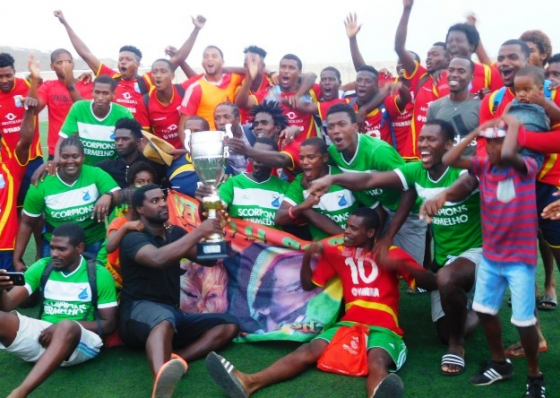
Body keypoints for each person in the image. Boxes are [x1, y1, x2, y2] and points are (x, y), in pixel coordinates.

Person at [309, 120, 482, 375]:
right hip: (445, 257)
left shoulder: (465, 171)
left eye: (431, 140)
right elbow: (369, 179)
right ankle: (481, 307)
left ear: (448, 145)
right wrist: (333, 177)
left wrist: (443, 196)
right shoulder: (415, 171)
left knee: (446, 280)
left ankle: (457, 347)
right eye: (421, 139)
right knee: (445, 329)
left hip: (478, 251)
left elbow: (466, 185)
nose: (423, 144)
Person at [206, 207, 437, 398]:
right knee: (307, 350)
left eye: (353, 229)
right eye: (346, 226)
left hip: (385, 327)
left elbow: (432, 283)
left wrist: (401, 265)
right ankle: (248, 382)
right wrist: (308, 255)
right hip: (348, 324)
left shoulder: (393, 253)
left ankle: (379, 393)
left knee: (377, 361)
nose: (346, 232)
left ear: (370, 233)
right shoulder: (337, 253)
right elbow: (309, 285)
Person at [442, 116, 544, 398]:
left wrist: (512, 124)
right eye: (489, 143)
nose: (492, 148)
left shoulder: (527, 166)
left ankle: (535, 375)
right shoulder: (483, 166)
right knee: (485, 310)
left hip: (520, 259)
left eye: (497, 142)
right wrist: (476, 131)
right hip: (491, 255)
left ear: (511, 142)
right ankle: (500, 363)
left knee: (523, 320)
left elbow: (511, 153)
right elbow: (450, 158)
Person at [118, 184, 239, 397]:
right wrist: (200, 231)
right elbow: (158, 259)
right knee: (163, 320)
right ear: (140, 209)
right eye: (154, 201)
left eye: (163, 198)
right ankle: (161, 383)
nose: (163, 203)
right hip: (136, 313)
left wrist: (216, 235)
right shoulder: (132, 238)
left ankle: (177, 359)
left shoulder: (174, 233)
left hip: (171, 313)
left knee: (228, 325)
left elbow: (209, 260)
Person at [0, 223, 117, 398]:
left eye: (61, 249)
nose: (54, 253)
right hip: (43, 335)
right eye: (53, 248)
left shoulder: (98, 274)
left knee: (66, 326)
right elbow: (8, 305)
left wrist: (61, 326)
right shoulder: (43, 266)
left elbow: (108, 325)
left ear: (79, 248)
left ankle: (19, 393)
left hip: (80, 341)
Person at [319, 103, 425, 265]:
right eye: (331, 127)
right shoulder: (334, 152)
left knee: (411, 276)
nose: (336, 131)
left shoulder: (378, 151)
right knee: (376, 261)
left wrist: (387, 236)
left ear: (355, 127)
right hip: (381, 208)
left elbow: (410, 189)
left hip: (409, 211)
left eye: (342, 124)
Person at [54, 10, 206, 121]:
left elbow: (178, 59)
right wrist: (65, 23)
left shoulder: (147, 80)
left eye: (127, 59)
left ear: (138, 63)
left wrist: (196, 29)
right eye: (120, 59)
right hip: (115, 138)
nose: (122, 62)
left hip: (139, 139)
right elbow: (85, 53)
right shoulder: (112, 78)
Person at [14, 137, 120, 269]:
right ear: (58, 157)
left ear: (83, 157)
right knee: (49, 285)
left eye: (75, 156)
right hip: (57, 246)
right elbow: (27, 223)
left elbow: (119, 195)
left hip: (93, 241)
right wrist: (17, 259)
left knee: (96, 282)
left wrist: (108, 195)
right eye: (65, 156)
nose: (70, 161)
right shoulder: (42, 183)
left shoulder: (95, 174)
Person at [394, 0, 450, 160]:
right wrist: (407, 10)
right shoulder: (422, 75)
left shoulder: (456, 79)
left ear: (448, 58)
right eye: (428, 55)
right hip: (413, 154)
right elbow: (399, 48)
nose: (429, 58)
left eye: (434, 54)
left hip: (443, 156)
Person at [275, 137, 358, 240]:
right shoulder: (300, 183)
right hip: (324, 251)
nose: (305, 162)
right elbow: (279, 219)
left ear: (325, 158)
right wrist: (303, 206)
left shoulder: (342, 173)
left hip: (356, 246)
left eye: (311, 157)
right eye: (301, 158)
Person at [196, 138, 289, 228]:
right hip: (239, 242)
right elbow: (213, 212)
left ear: (273, 161)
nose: (256, 163)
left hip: (272, 243)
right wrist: (205, 202)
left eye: (262, 159)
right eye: (254, 157)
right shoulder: (233, 183)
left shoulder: (284, 187)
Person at [29, 48, 93, 159]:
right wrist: (34, 79)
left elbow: (86, 113)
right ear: (52, 66)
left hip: (84, 149)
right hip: (57, 150)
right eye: (59, 62)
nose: (65, 65)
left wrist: (70, 85)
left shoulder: (87, 85)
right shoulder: (49, 86)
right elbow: (35, 109)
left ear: (73, 64)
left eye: (68, 62)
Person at [0, 97, 39, 272]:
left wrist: (29, 111)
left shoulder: (9, 168)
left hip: (5, 247)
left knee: (10, 296)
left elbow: (25, 142)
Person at [0, 53, 43, 207]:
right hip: (8, 163)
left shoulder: (26, 85)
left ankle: (40, 233)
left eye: (8, 75)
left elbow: (35, 108)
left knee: (38, 206)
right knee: (15, 207)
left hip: (33, 160)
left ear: (14, 72)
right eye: (0, 76)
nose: (4, 80)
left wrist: (35, 77)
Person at [178, 45, 243, 132]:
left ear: (222, 62)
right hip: (210, 140)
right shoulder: (195, 88)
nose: (209, 59)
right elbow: (183, 126)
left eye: (214, 56)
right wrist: (188, 145)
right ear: (202, 63)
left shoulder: (233, 78)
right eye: (205, 56)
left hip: (234, 136)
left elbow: (251, 72)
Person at [427, 56, 481, 155]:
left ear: (471, 77)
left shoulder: (481, 106)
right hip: (445, 168)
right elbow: (429, 142)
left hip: (472, 169)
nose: (454, 74)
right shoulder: (434, 107)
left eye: (461, 71)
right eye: (451, 70)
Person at [94, 118, 165, 188]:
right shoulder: (107, 167)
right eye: (117, 139)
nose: (119, 143)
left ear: (138, 141)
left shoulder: (153, 165)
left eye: (125, 139)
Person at [139, 59, 186, 149]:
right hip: (162, 155)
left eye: (163, 72)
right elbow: (145, 137)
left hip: (185, 151)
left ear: (172, 76)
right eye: (154, 72)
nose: (158, 76)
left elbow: (203, 80)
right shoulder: (144, 102)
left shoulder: (183, 92)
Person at [445, 23, 502, 94]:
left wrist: (486, 99)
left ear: (471, 46)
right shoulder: (439, 76)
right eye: (450, 41)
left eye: (458, 41)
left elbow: (501, 101)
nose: (453, 44)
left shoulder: (489, 73)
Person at [214, 102, 256, 175]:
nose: (221, 122)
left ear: (238, 119)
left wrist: (247, 151)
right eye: (217, 118)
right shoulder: (215, 143)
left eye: (226, 117)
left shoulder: (253, 131)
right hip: (234, 182)